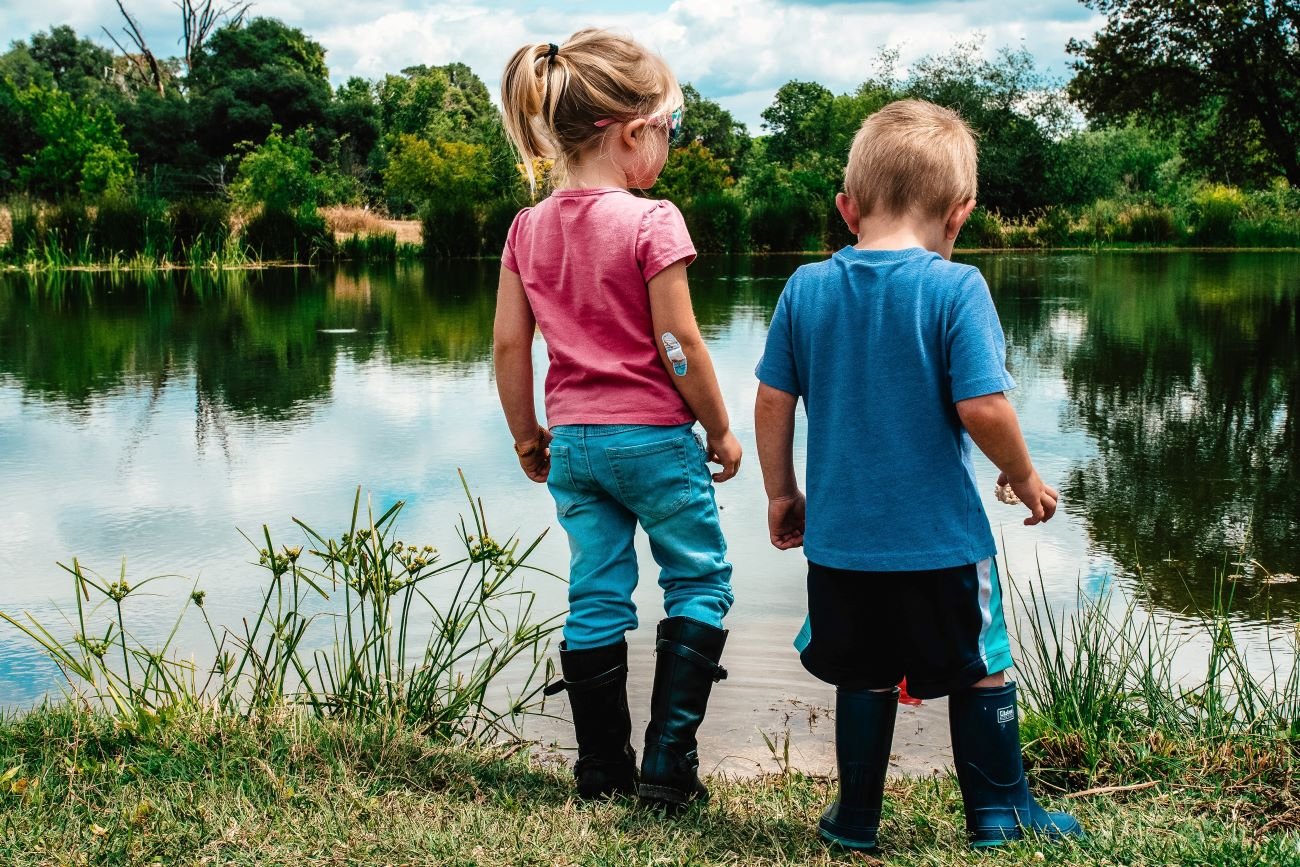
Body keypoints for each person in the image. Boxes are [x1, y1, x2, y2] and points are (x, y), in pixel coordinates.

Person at [753, 99, 1085, 850]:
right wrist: (1024, 476)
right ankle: (999, 814)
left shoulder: (805, 288)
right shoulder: (956, 288)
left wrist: (781, 491)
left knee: (864, 673)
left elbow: (773, 399)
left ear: (847, 208)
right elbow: (983, 405)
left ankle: (855, 819)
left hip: (841, 546)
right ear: (960, 212)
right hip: (942, 543)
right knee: (981, 666)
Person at [493, 28, 742, 807]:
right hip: (654, 441)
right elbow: (678, 342)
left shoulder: (527, 228)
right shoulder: (651, 220)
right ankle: (668, 766)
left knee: (596, 593)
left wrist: (526, 434)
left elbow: (509, 345)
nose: (669, 144)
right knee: (698, 579)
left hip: (574, 444)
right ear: (633, 132)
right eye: (670, 127)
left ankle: (602, 770)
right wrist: (720, 427)